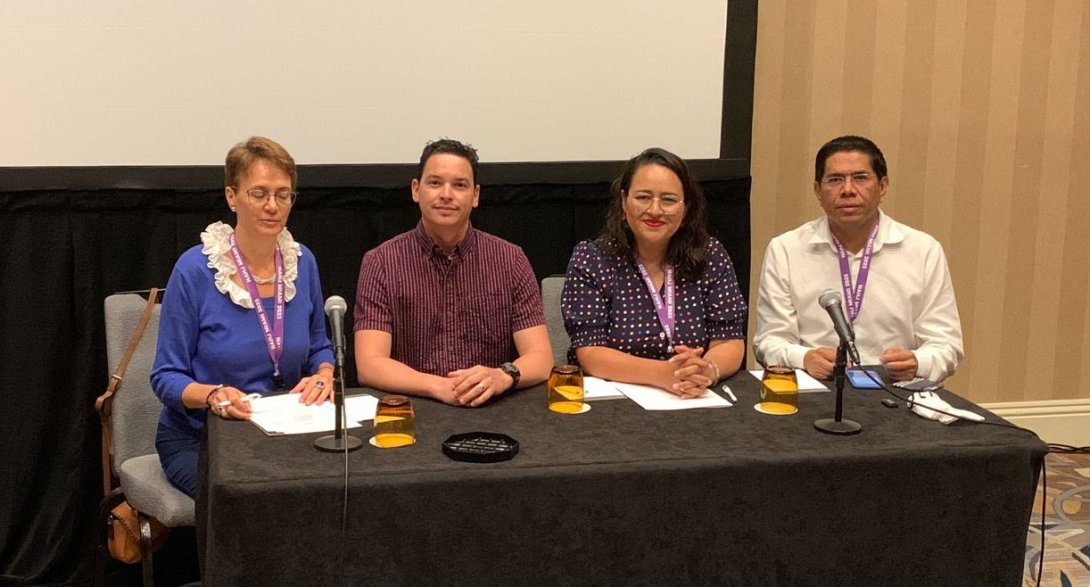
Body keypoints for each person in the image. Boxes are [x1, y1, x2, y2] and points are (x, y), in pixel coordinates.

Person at [151, 137, 334, 497]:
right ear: (232, 196)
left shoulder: (302, 263)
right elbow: (165, 377)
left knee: (336, 488)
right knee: (259, 500)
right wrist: (212, 395)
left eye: (283, 195)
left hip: (285, 433)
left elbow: (319, 346)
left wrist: (324, 375)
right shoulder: (195, 270)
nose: (272, 206)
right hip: (202, 439)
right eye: (259, 194)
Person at [353, 138, 552, 407]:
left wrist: (501, 376)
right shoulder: (381, 263)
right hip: (414, 408)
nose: (446, 194)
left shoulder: (510, 260)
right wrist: (439, 386)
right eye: (435, 183)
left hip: (494, 407)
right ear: (416, 190)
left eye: (459, 185)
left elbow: (541, 357)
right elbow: (370, 364)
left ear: (475, 195)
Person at [753, 135, 963, 382]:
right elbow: (768, 341)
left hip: (893, 387)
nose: (848, 190)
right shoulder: (786, 249)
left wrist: (918, 363)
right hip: (815, 385)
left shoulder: (922, 250)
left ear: (883, 186)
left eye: (861, 178)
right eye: (835, 180)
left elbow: (946, 345)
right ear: (818, 191)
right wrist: (804, 357)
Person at [561, 147, 747, 397]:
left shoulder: (710, 256)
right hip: (615, 401)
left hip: (693, 397)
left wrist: (707, 370)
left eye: (668, 200)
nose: (655, 210)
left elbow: (729, 339)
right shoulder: (593, 259)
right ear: (624, 202)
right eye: (643, 197)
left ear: (686, 209)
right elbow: (589, 352)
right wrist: (661, 374)